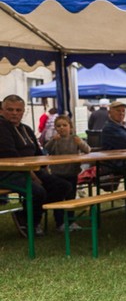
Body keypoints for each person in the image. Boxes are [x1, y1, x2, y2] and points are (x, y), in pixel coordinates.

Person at [0, 94, 75, 236]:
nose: (14, 113)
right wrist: (33, 175)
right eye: (10, 110)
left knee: (63, 186)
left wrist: (45, 170)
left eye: (18, 110)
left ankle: (25, 214)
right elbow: (11, 156)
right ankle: (32, 224)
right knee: (37, 192)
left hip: (31, 169)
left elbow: (38, 152)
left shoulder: (26, 129)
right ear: (2, 111)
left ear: (23, 111)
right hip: (7, 171)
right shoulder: (2, 127)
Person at [44, 114, 90, 231]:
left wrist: (80, 143)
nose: (62, 128)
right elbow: (46, 150)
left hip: (72, 173)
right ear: (55, 128)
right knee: (59, 199)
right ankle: (59, 222)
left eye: (65, 125)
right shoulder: (55, 140)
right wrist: (52, 141)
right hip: (57, 174)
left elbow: (88, 150)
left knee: (71, 199)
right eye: (58, 126)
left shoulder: (75, 139)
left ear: (71, 127)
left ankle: (70, 221)